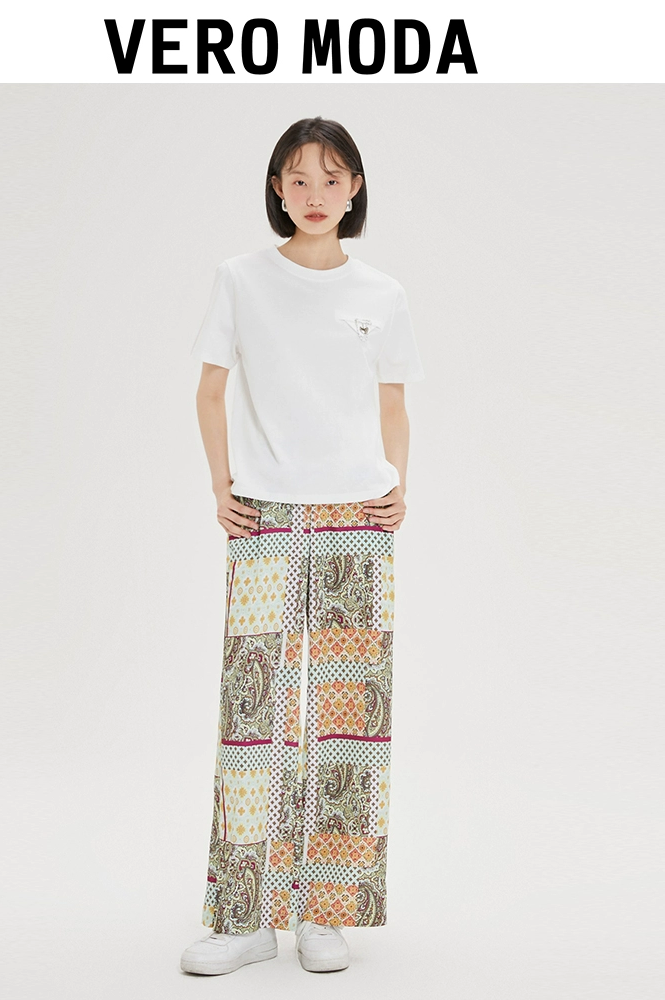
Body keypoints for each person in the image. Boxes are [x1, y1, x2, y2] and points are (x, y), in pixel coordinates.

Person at [180, 116, 425, 976]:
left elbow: (392, 402)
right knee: (255, 720)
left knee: (347, 722)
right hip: (265, 516)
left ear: (355, 188)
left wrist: (398, 484)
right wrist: (222, 486)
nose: (314, 194)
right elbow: (210, 392)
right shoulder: (240, 279)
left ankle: (324, 914)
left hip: (360, 518)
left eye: (331, 177)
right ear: (277, 189)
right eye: (298, 178)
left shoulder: (382, 293)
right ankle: (244, 917)